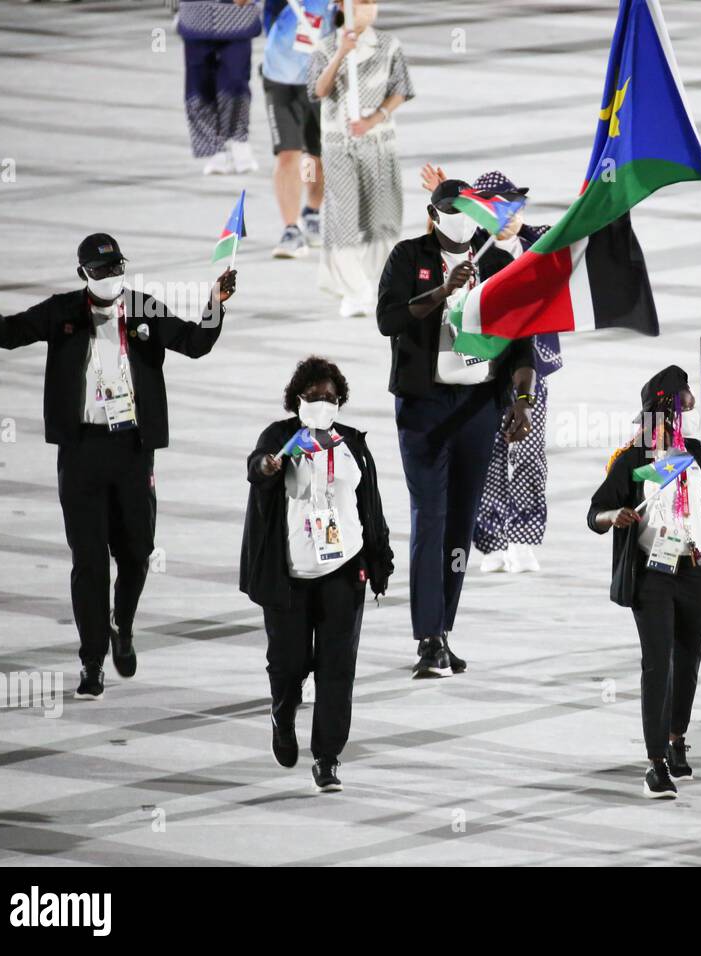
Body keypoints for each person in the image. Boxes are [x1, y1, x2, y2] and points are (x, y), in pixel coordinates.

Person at [0, 238, 236, 699]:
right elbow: (5, 335)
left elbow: (195, 343)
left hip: (132, 447)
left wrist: (214, 303)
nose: (110, 276)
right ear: (82, 273)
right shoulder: (62, 311)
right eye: (101, 269)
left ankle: (121, 624)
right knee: (88, 562)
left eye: (116, 267)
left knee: (137, 552)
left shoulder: (146, 308)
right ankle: (92, 661)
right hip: (82, 450)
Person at [376, 178, 537, 679]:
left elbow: (520, 343)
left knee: (461, 522)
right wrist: (443, 290)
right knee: (430, 517)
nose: (462, 216)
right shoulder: (408, 257)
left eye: (470, 208)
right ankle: (427, 638)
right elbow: (388, 320)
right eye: (452, 208)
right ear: (433, 212)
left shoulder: (497, 265)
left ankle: (444, 628)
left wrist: (523, 400)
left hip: (477, 407)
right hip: (424, 408)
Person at [240, 357, 394, 793]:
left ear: (340, 400)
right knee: (289, 664)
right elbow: (257, 467)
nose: (322, 403)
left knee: (337, 667)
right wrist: (268, 467)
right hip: (289, 576)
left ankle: (327, 757)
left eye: (330, 397)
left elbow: (370, 505)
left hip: (344, 571)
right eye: (313, 397)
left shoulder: (352, 444)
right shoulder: (281, 438)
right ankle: (283, 712)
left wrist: (378, 560)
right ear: (297, 400)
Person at [588, 366, 701, 799]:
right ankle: (654, 763)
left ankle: (675, 738)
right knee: (658, 665)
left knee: (688, 660)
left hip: (694, 567)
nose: (687, 405)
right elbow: (596, 512)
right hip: (653, 573)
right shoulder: (634, 458)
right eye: (681, 398)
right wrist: (615, 516)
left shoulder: (696, 453)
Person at [418, 164, 564, 575]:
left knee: (530, 453)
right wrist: (443, 200)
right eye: (498, 208)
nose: (510, 216)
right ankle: (492, 540)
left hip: (529, 366)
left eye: (515, 207)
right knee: (487, 454)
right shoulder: (470, 247)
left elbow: (582, 236)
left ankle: (523, 537)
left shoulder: (544, 238)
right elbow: (434, 246)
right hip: (480, 367)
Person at [308, 0, 414, 317]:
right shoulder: (325, 46)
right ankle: (353, 290)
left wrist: (375, 118)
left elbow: (401, 89)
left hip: (379, 144)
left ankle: (379, 285)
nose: (368, 8)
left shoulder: (388, 45)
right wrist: (341, 52)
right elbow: (318, 90)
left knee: (382, 219)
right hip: (339, 145)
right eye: (361, 3)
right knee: (343, 219)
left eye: (371, 3)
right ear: (342, 7)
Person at [262, 0, 333, 257]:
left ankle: (312, 212)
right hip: (280, 76)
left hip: (321, 79)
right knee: (288, 153)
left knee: (316, 154)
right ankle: (290, 229)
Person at [176, 0, 262, 175]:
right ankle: (213, 148)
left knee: (236, 80)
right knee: (198, 85)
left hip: (237, 15)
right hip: (195, 15)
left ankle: (239, 139)